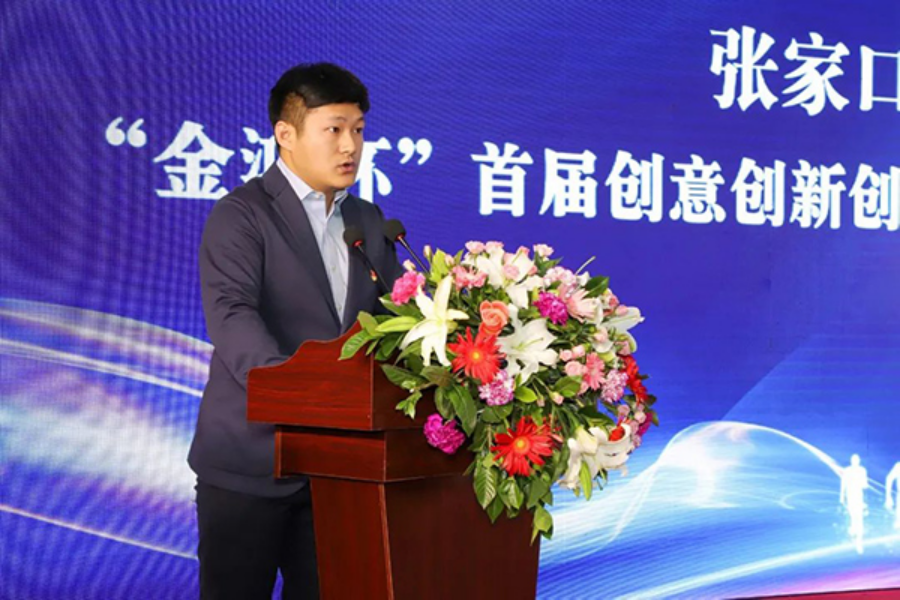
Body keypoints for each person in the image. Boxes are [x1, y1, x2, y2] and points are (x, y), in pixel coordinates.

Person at [189, 62, 402, 599]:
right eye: (334, 129)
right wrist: (302, 395)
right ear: (286, 134)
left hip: (339, 471)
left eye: (358, 129)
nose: (350, 146)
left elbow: (392, 326)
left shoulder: (369, 222)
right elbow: (232, 316)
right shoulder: (242, 215)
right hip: (251, 462)